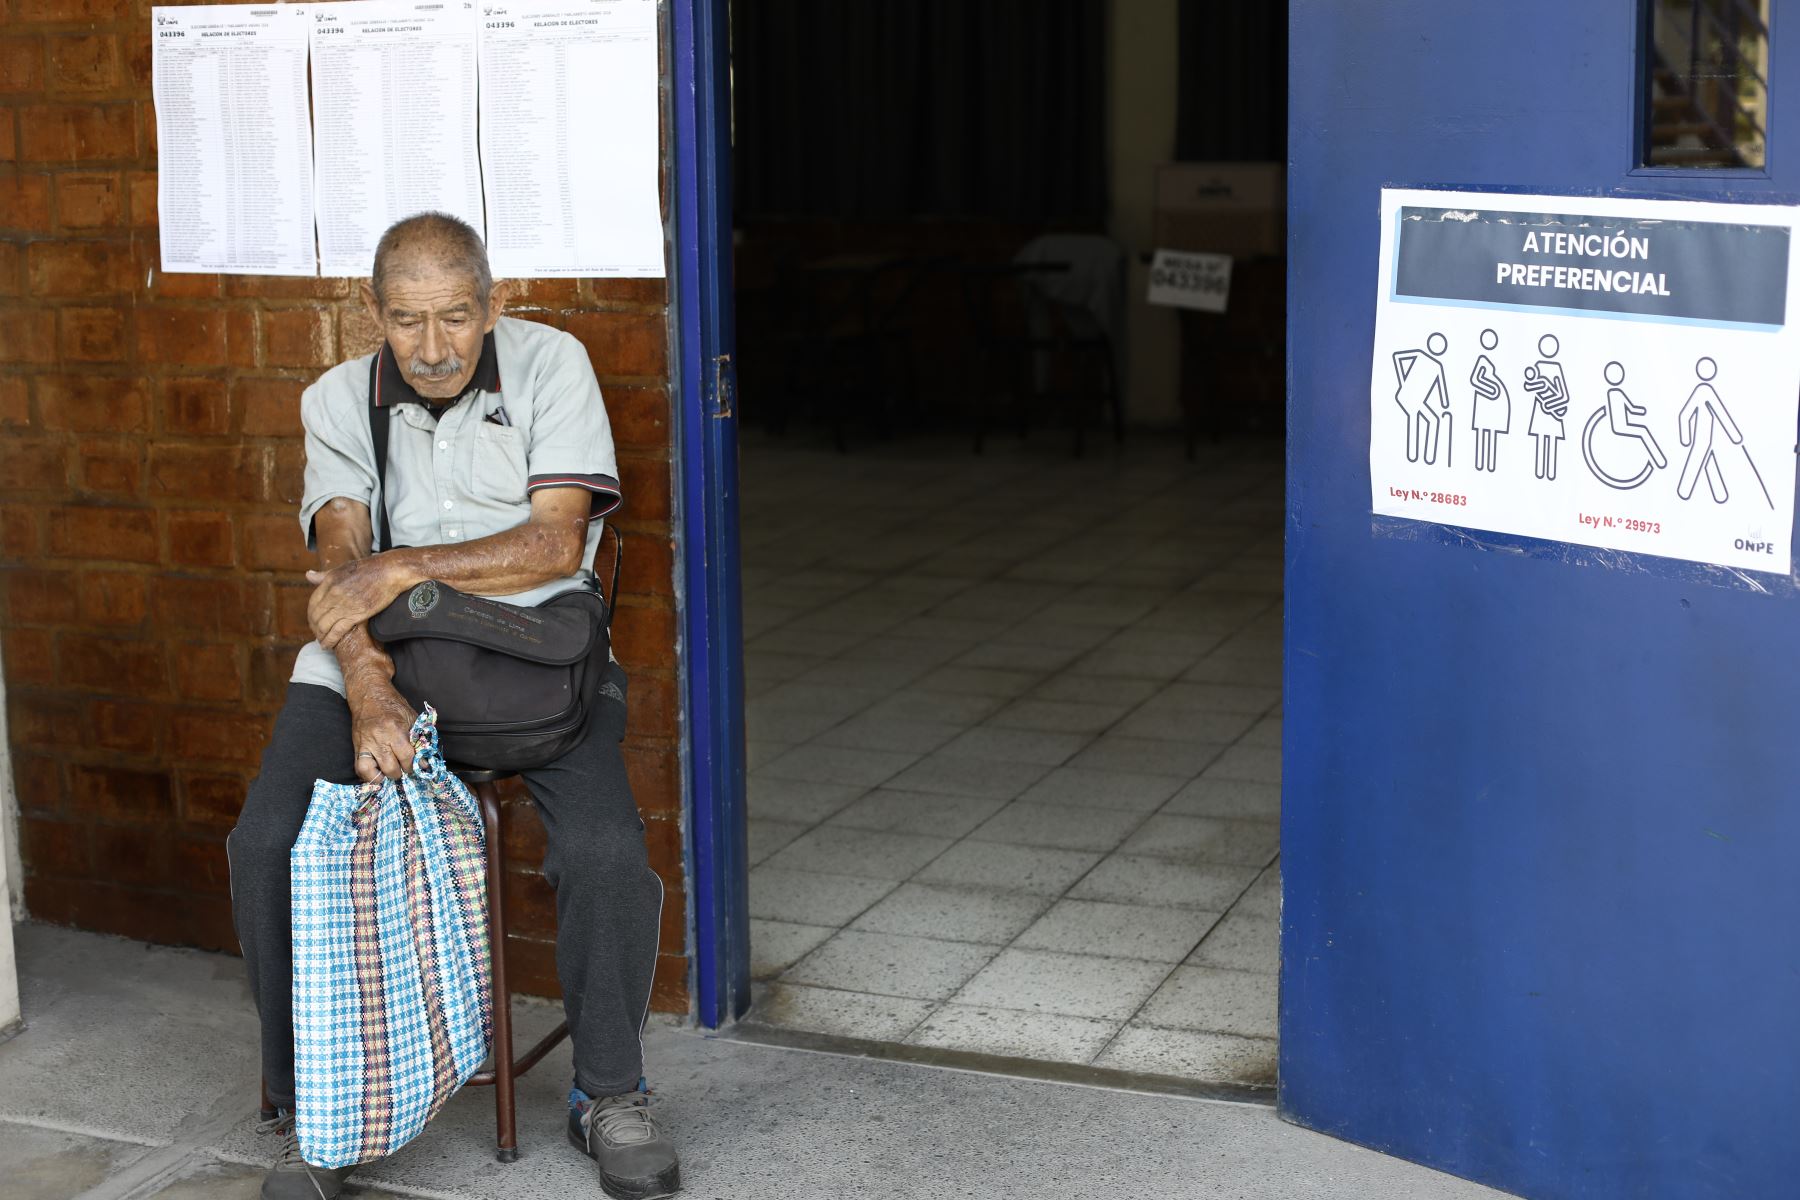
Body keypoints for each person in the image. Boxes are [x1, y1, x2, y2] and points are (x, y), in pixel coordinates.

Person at [227, 213, 680, 1200]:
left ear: (495, 304)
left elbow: (556, 546)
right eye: (406, 322)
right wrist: (366, 684)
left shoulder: (553, 366)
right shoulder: (338, 398)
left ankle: (611, 1092)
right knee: (265, 842)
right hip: (383, 661)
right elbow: (340, 565)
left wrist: (406, 566)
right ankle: (318, 1104)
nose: (432, 349)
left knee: (607, 853)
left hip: (536, 655)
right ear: (373, 314)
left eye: (455, 319)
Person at [1392, 332, 1451, 465]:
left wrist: (1444, 403)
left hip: (1416, 400)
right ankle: (1414, 456)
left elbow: (1441, 390)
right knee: (1416, 419)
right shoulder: (1420, 355)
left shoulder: (1436, 366)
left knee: (1432, 419)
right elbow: (1398, 357)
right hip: (1407, 397)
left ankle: (1427, 458)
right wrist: (1403, 381)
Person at [1523, 334, 1569, 480]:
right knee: (1541, 438)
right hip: (1541, 411)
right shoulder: (1538, 367)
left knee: (1551, 440)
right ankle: (1540, 472)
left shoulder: (1555, 368)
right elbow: (1530, 386)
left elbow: (1563, 394)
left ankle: (1549, 473)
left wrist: (1552, 403)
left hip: (1552, 411)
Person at [1468, 328, 1510, 473]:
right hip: (1486, 401)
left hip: (1493, 403)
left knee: (1490, 431)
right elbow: (1475, 379)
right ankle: (1481, 464)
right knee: (1482, 431)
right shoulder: (1482, 360)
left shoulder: (1494, 360)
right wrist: (1492, 391)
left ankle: (1489, 465)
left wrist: (1492, 392)